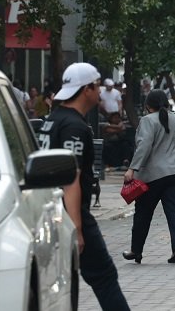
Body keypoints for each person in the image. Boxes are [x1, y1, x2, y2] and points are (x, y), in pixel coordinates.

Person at [37, 62, 130, 311]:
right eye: (97, 85)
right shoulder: (74, 128)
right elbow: (71, 179)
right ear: (86, 89)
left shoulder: (53, 120)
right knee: (104, 277)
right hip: (71, 215)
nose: (100, 91)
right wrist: (77, 229)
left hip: (51, 213)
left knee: (65, 282)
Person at [122, 89, 175, 264]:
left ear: (147, 106)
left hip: (153, 176)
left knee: (143, 214)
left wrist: (132, 168)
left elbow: (144, 146)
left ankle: (136, 250)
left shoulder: (147, 120)